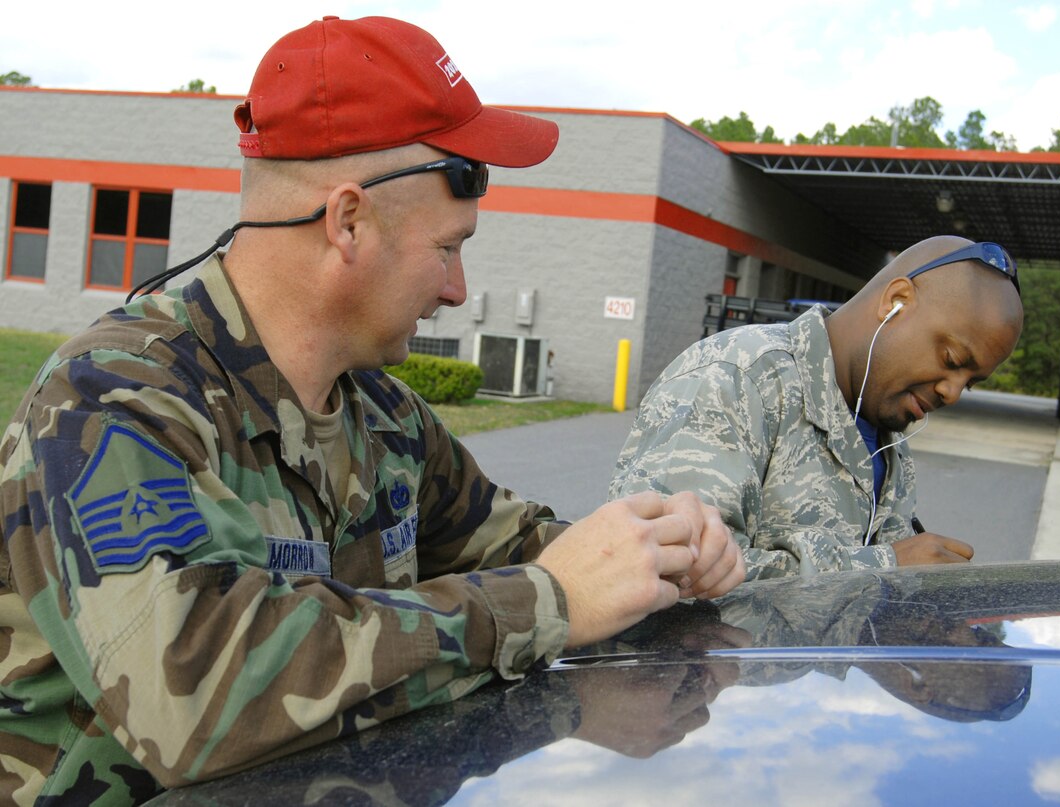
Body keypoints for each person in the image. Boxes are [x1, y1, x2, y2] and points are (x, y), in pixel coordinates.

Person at [0, 16, 744, 804]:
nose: (458, 288)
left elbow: (525, 547)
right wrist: (549, 603)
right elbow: (194, 693)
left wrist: (659, 553)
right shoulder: (110, 401)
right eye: (449, 247)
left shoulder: (385, 416)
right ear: (347, 222)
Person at [610, 235, 1023, 579]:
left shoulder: (887, 434)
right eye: (952, 360)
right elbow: (664, 569)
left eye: (969, 384)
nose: (951, 392)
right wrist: (886, 567)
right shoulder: (737, 378)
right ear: (895, 301)